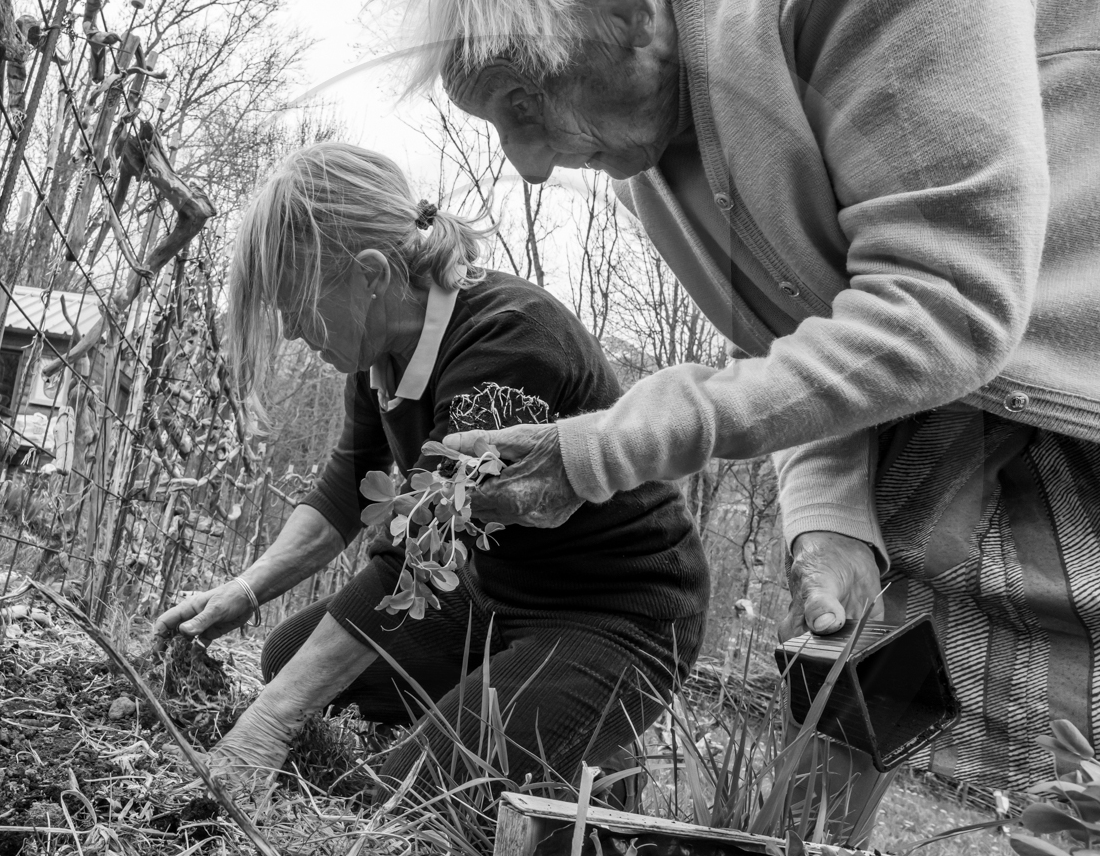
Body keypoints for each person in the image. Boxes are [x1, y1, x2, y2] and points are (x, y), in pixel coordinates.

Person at [381, 0, 1100, 799]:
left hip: (1073, 347)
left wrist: (596, 453)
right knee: (848, 693)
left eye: (529, 106)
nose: (526, 166)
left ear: (627, 13)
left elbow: (947, 302)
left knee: (1049, 778)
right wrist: (829, 519)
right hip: (968, 363)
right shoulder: (654, 156)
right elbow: (795, 344)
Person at [153, 142, 709, 796]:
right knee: (287, 656)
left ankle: (591, 766)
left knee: (422, 790)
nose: (296, 332)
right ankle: (514, 713)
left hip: (616, 613)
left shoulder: (508, 342)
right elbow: (347, 483)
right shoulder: (380, 349)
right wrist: (246, 591)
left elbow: (418, 554)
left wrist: (267, 725)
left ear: (369, 274)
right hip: (494, 596)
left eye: (296, 308)